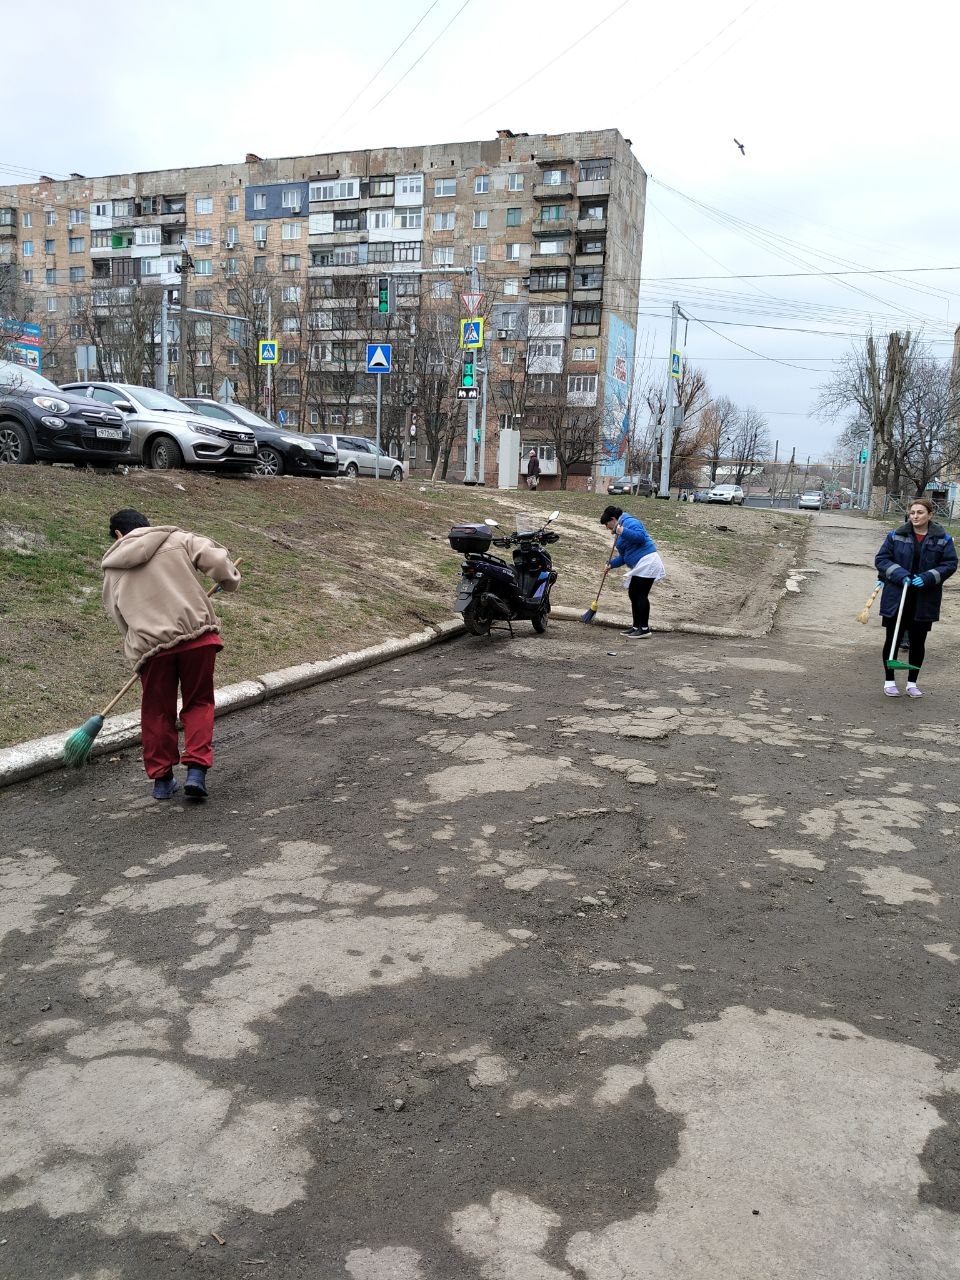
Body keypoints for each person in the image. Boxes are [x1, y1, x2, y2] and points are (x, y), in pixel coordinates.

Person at [101, 510, 241, 800]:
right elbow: (216, 560)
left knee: (156, 711)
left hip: (152, 651)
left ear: (118, 535)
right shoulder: (176, 538)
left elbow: (119, 617)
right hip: (197, 639)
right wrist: (229, 581)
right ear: (146, 526)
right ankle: (196, 772)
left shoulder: (113, 569)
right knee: (199, 701)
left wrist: (137, 640)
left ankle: (162, 781)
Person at [874, 496, 956, 698]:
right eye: (912, 512)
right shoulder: (895, 535)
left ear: (930, 515)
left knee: (918, 642)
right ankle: (889, 680)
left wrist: (928, 577)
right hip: (897, 596)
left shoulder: (943, 539)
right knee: (892, 639)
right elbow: (882, 559)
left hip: (925, 598)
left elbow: (950, 564)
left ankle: (912, 683)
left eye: (920, 512)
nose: (915, 516)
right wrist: (901, 575)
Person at [600, 504, 666, 639]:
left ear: (613, 519)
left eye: (607, 524)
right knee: (633, 593)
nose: (607, 528)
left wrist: (623, 530)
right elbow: (624, 557)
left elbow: (640, 537)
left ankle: (645, 629)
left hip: (648, 561)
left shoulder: (630, 522)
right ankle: (636, 626)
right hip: (640, 564)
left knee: (640, 594)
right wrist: (611, 564)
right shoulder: (619, 531)